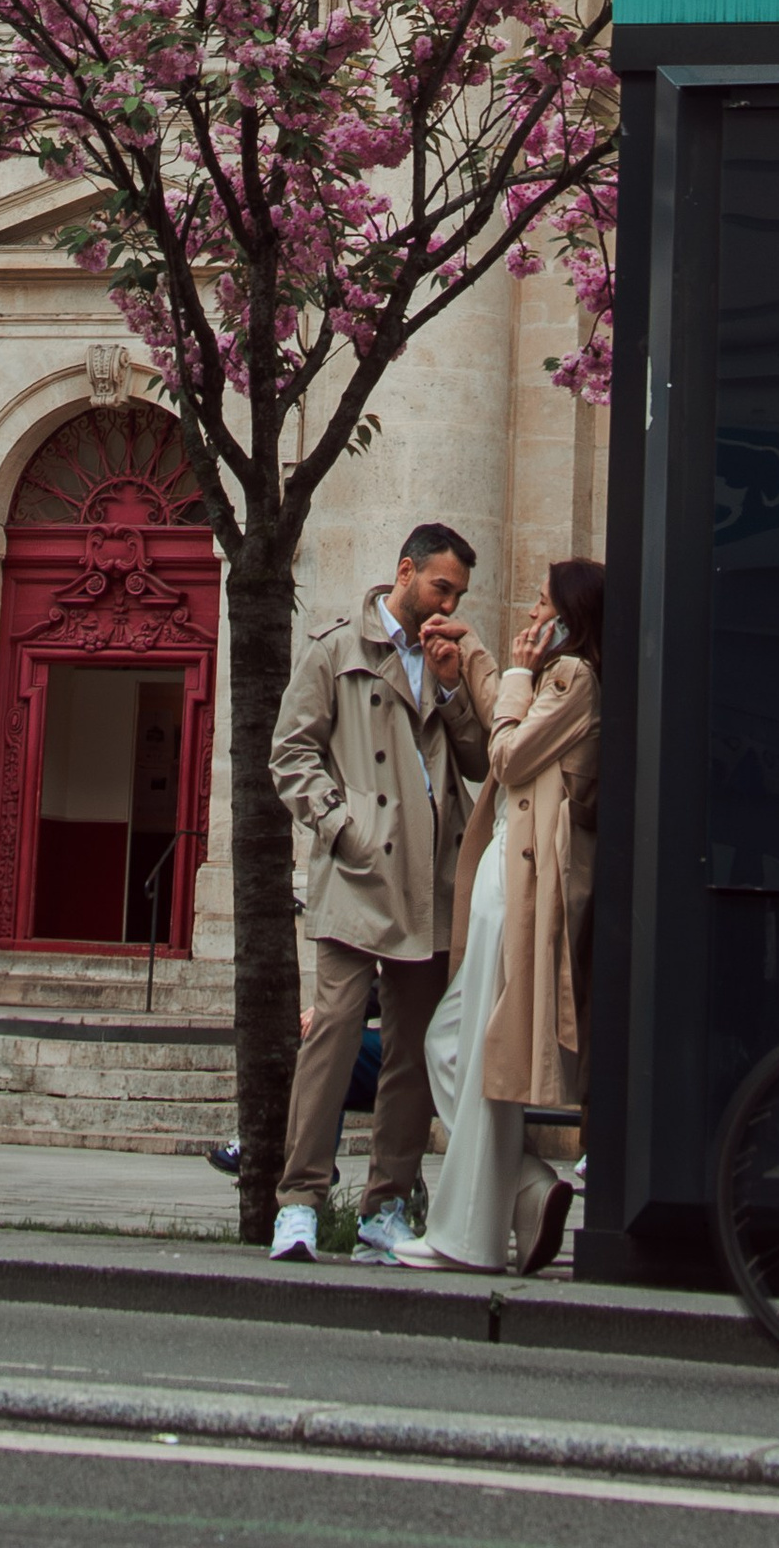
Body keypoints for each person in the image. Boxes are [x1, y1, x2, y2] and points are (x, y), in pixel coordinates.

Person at [268, 523, 497, 1266]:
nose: (448, 603)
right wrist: (343, 826)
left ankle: (387, 1203)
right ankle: (297, 1201)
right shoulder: (337, 648)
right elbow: (291, 751)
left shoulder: (442, 658)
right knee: (332, 1032)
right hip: (364, 873)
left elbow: (473, 762)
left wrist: (456, 683)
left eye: (458, 593)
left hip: (433, 877)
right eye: (441, 586)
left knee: (413, 1050)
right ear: (405, 570)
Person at [398, 555, 602, 1278]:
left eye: (542, 604)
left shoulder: (574, 679)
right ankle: (523, 1186)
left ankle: (467, 1236)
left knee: (477, 1046)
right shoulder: (553, 679)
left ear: (569, 618)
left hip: (520, 882)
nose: (531, 616)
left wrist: (509, 672)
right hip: (506, 874)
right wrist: (478, 654)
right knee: (455, 1044)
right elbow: (503, 710)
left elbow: (509, 753)